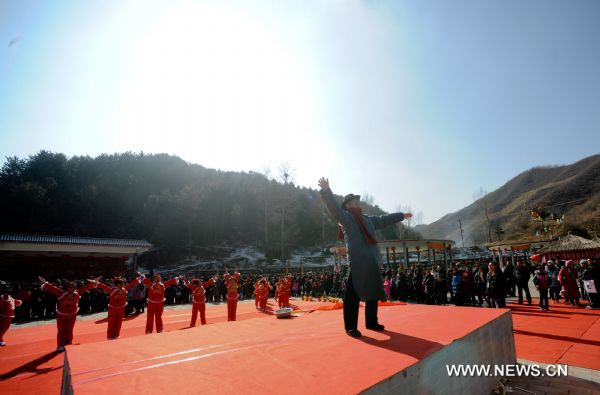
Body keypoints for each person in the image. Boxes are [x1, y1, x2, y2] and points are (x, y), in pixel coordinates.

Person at [318, 177, 411, 338]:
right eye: (353, 201)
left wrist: (401, 215)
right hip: (357, 262)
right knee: (352, 297)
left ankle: (372, 322)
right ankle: (351, 327)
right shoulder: (346, 219)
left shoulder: (369, 219)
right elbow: (334, 208)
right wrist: (326, 191)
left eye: (356, 201)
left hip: (373, 260)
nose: (356, 203)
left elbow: (384, 219)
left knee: (373, 292)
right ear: (347, 206)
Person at [39, 276, 98, 351]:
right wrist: (45, 283)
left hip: (72, 314)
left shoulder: (77, 293)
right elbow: (53, 289)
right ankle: (60, 345)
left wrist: (93, 283)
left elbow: (85, 288)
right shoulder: (61, 293)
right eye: (72, 287)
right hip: (62, 315)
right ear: (68, 288)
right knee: (61, 330)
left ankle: (69, 343)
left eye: (74, 287)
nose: (73, 289)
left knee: (69, 330)